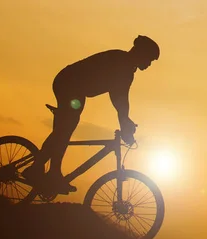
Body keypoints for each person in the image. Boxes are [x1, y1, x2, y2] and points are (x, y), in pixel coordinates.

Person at [23, 35, 160, 192]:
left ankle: (48, 172)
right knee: (65, 128)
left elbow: (120, 101)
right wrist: (125, 124)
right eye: (149, 59)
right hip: (69, 84)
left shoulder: (127, 69)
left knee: (63, 130)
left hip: (74, 86)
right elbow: (120, 101)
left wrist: (125, 121)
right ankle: (43, 171)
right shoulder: (121, 63)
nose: (149, 64)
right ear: (140, 53)